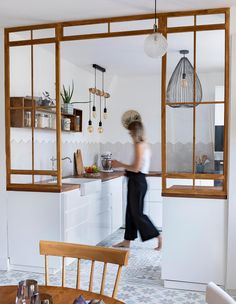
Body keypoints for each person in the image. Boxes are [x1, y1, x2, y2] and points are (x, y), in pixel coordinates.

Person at [112, 120, 162, 251]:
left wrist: (119, 164)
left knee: (137, 213)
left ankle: (158, 236)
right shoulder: (144, 144)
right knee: (131, 212)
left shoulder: (139, 145)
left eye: (130, 132)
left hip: (137, 181)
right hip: (137, 180)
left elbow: (136, 167)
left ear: (135, 133)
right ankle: (126, 241)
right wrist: (126, 170)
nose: (129, 135)